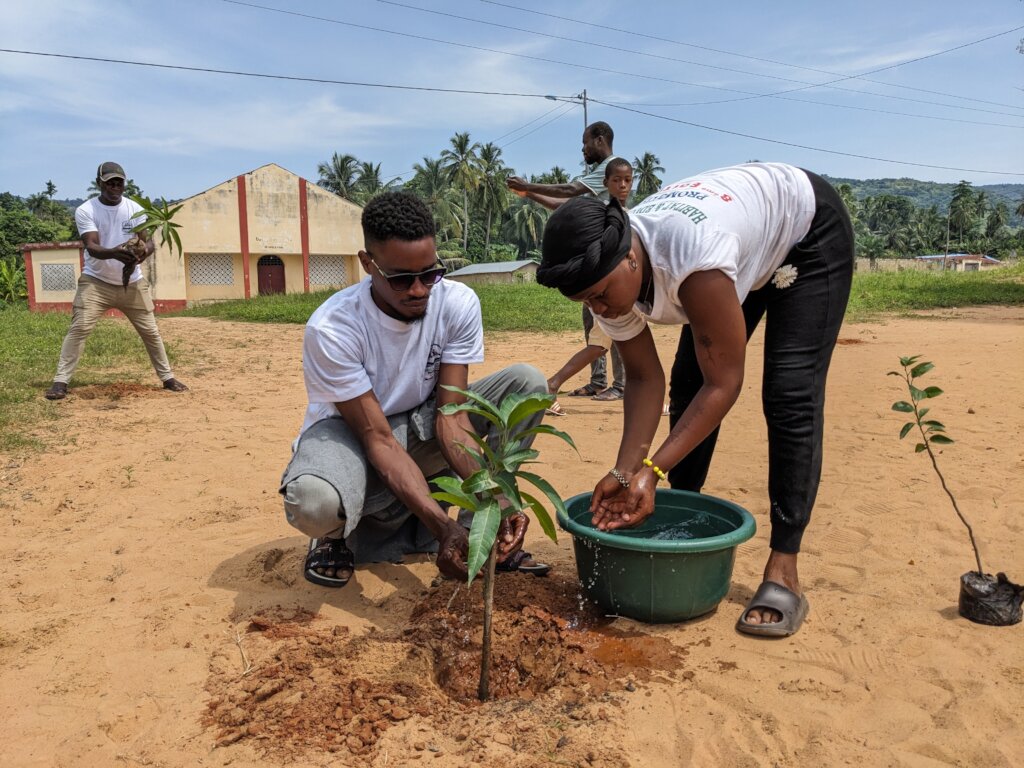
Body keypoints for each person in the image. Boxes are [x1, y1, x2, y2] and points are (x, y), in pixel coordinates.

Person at [536, 162, 854, 637]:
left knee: (789, 394)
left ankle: (784, 566)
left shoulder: (691, 260)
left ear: (630, 257)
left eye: (601, 296)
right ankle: (681, 527)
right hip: (736, 242)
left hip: (806, 231)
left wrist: (655, 470)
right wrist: (626, 472)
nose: (598, 310)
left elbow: (725, 383)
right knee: (687, 386)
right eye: (586, 301)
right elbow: (645, 380)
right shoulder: (610, 281)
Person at [280, 191, 551, 588]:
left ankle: (482, 536)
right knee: (314, 502)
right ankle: (335, 536)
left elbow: (453, 420)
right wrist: (441, 527)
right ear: (367, 263)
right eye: (402, 279)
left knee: (528, 384)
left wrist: (501, 501)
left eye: (430, 274)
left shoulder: (457, 303)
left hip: (422, 425)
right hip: (354, 434)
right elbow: (378, 439)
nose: (420, 290)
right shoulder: (334, 328)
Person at [44, 162, 188, 401]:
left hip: (132, 282)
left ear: (124, 183)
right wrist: (114, 253)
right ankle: (60, 382)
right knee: (79, 328)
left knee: (151, 332)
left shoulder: (135, 209)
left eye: (119, 182)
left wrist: (144, 253)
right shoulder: (86, 210)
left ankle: (168, 378)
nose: (115, 186)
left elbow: (148, 241)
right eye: (110, 182)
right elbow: (91, 246)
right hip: (96, 282)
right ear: (99, 182)